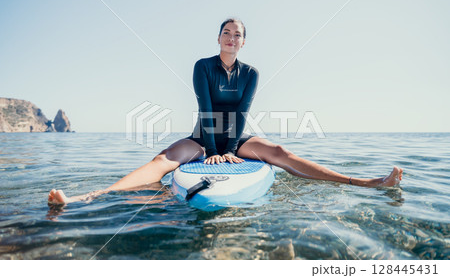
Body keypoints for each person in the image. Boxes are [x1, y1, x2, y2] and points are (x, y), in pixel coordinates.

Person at [48, 18, 403, 205]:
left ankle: (364, 182)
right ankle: (87, 198)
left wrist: (231, 150)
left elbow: (242, 112)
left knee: (280, 153)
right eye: (226, 33)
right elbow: (205, 108)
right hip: (203, 135)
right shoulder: (202, 66)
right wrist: (214, 152)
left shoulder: (251, 73)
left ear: (244, 42)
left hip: (237, 135)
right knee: (163, 160)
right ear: (218, 39)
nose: (232, 39)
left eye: (238, 35)